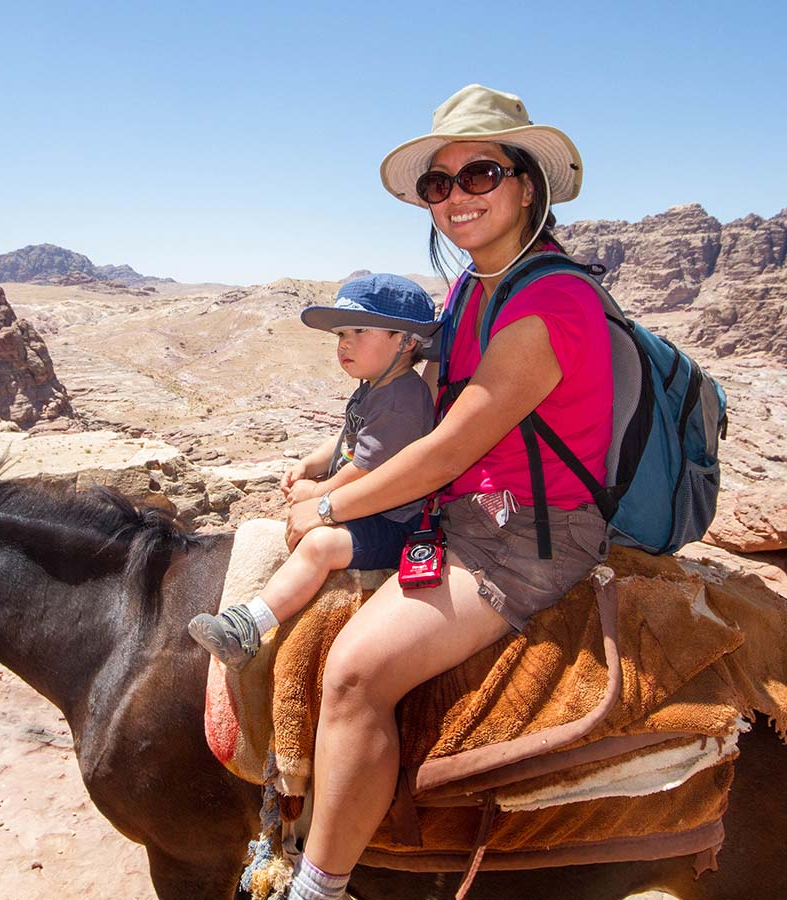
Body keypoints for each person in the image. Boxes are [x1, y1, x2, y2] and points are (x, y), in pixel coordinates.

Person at [279, 84, 613, 900]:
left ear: (525, 184)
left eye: (480, 175)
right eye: (438, 183)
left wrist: (323, 509)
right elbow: (416, 393)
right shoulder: (470, 289)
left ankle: (317, 887)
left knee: (356, 673)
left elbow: (442, 451)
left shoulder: (552, 298)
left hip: (527, 536)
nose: (455, 196)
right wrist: (329, 462)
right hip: (463, 516)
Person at [188, 273, 437, 669]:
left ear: (407, 342)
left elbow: (366, 469)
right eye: (340, 334)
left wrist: (319, 495)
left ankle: (248, 626)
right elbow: (349, 438)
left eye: (359, 330)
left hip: (392, 521)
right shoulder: (376, 386)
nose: (344, 342)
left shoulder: (401, 399)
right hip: (364, 505)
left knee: (320, 548)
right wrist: (311, 464)